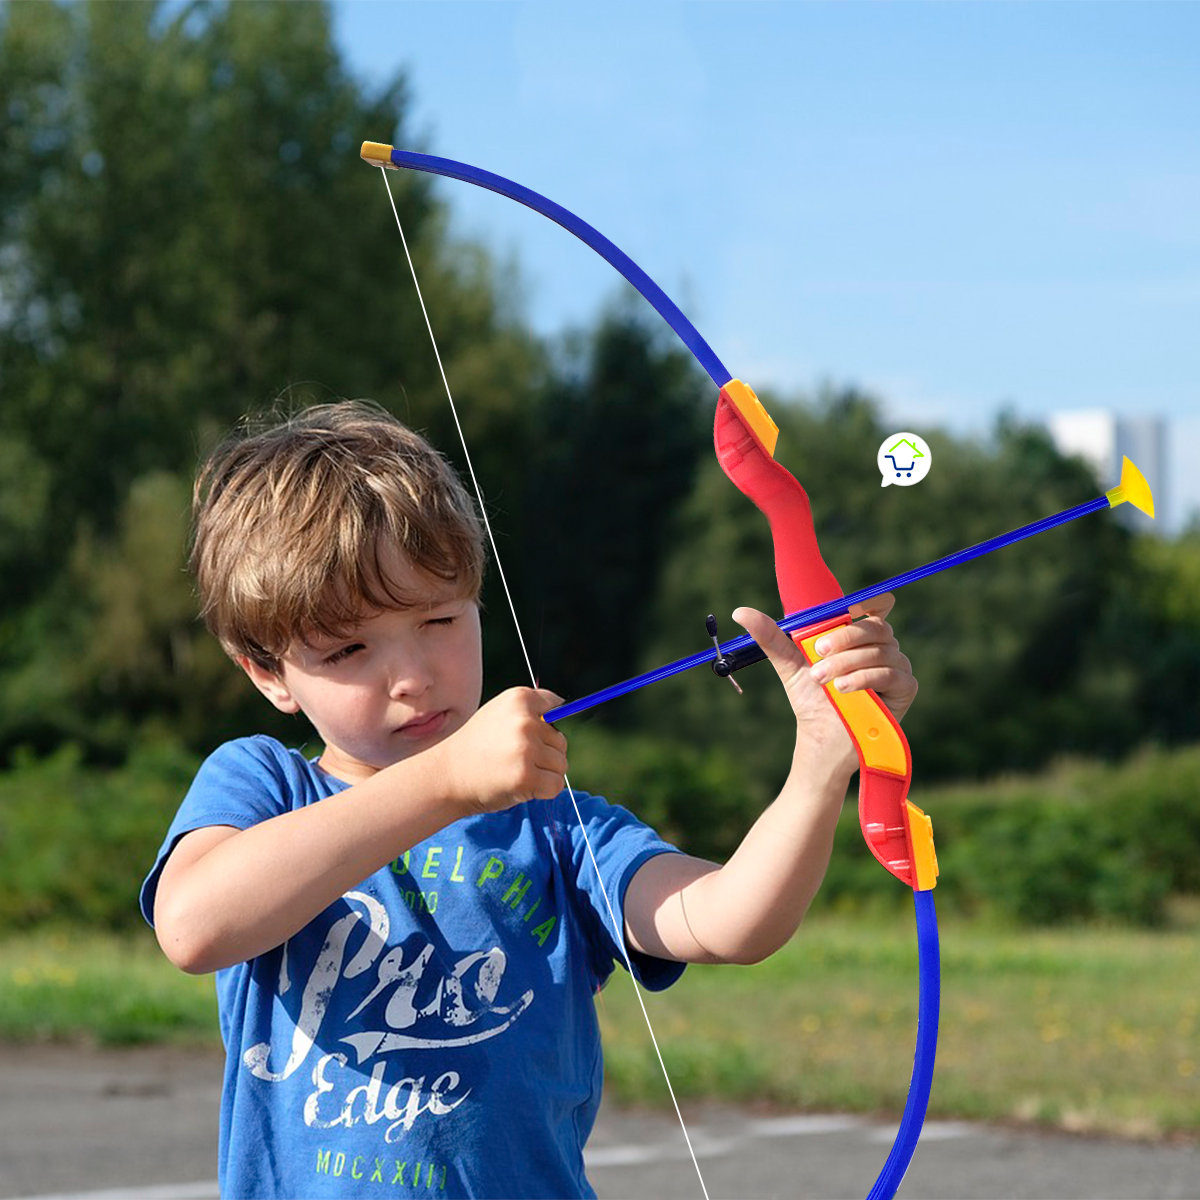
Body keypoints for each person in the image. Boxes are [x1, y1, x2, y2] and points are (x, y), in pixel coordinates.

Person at [141, 399, 918, 1199]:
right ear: (268, 673)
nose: (412, 677)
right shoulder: (265, 785)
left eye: (439, 619)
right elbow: (195, 926)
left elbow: (731, 919)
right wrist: (445, 783)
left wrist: (822, 763)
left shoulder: (557, 827)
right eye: (348, 650)